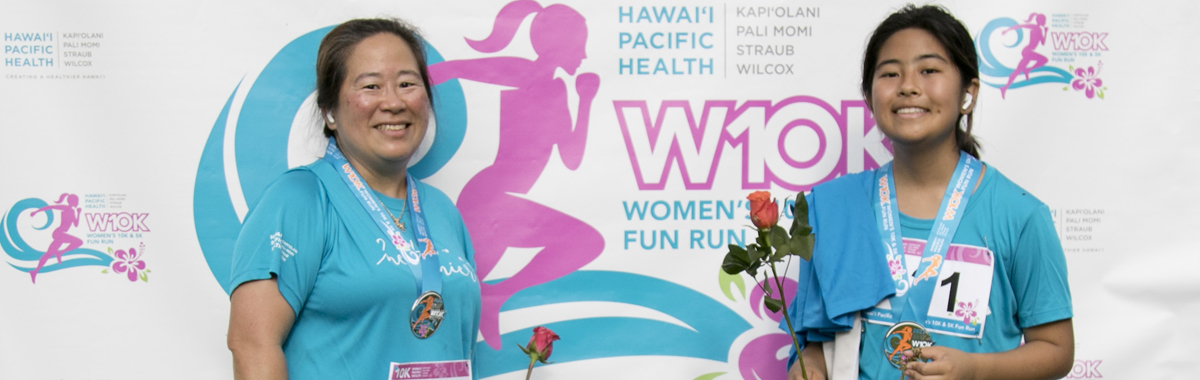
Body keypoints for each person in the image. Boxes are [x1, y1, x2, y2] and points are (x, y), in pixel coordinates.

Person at [783, 5, 1073, 380]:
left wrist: (973, 370)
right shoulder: (833, 208)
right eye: (890, 73)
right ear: (870, 97)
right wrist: (810, 368)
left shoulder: (1019, 215)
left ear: (968, 93)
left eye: (929, 70)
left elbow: (1057, 350)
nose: (908, 86)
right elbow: (816, 343)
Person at [226, 18, 481, 380]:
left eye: (407, 83)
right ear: (329, 110)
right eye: (371, 86)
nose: (393, 102)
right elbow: (252, 344)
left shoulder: (442, 212)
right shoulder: (299, 200)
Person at [427, 0, 603, 350]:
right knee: (451, 301)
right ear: (561, 42)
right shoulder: (525, 71)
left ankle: (496, 296)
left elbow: (571, 157)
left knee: (461, 295)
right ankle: (490, 300)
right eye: (580, 44)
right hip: (491, 197)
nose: (584, 55)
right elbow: (449, 69)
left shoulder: (557, 90)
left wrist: (585, 100)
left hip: (503, 202)